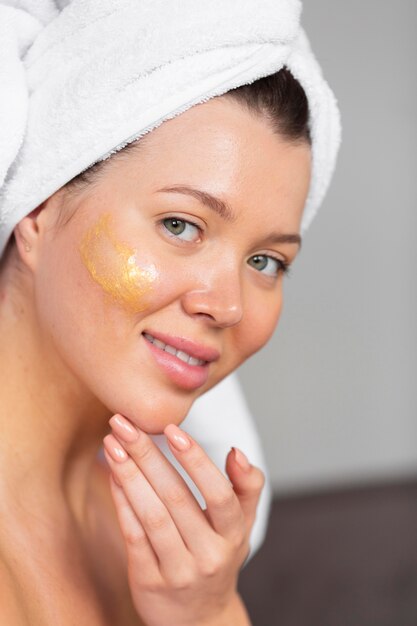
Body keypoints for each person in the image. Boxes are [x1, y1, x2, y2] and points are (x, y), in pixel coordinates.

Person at [0, 1, 341, 624]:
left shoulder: (177, 559)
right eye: (181, 225)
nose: (228, 305)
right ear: (38, 210)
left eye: (266, 262)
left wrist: (207, 615)